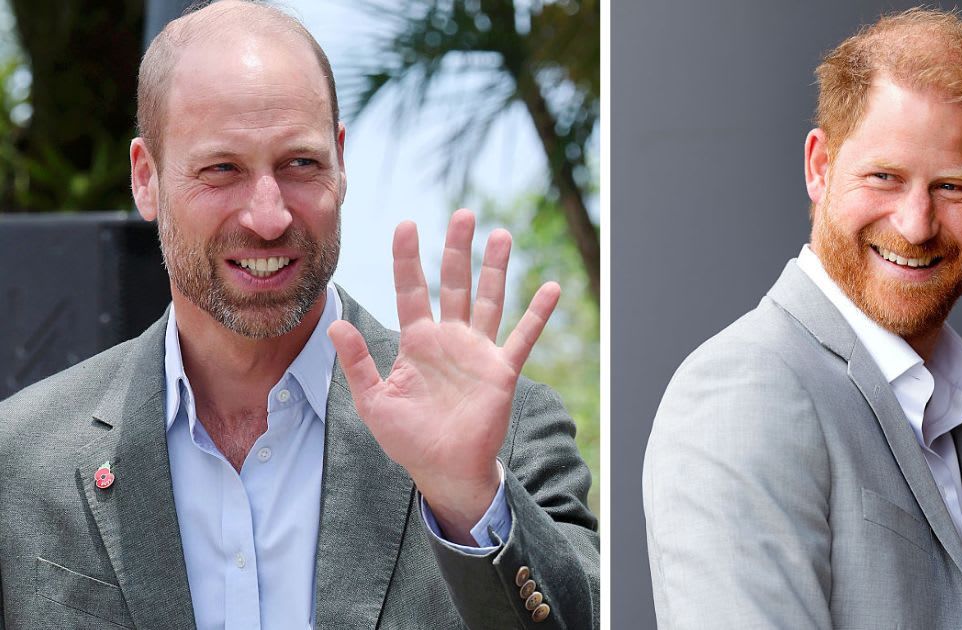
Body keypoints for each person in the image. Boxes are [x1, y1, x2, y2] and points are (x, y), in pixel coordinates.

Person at [0, 1, 598, 628]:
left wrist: (469, 502)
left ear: (341, 162)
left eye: (300, 164)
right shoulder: (22, 460)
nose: (269, 216)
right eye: (222, 169)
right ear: (145, 179)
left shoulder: (500, 435)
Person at [643, 8, 962, 629]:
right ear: (820, 167)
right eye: (884, 177)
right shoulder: (744, 391)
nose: (916, 224)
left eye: (953, 187)